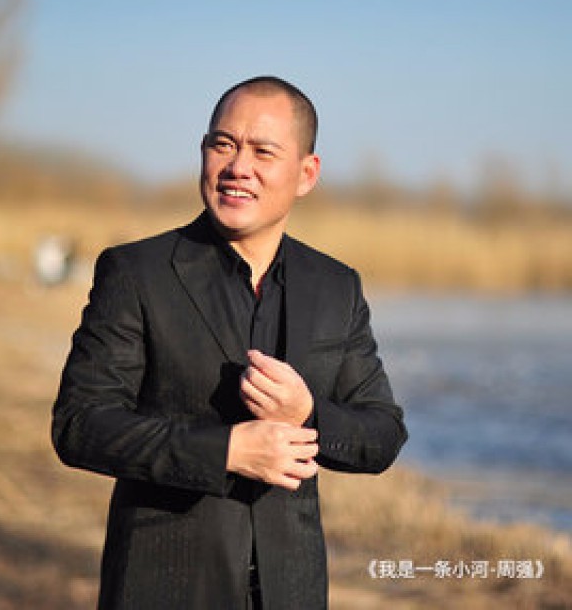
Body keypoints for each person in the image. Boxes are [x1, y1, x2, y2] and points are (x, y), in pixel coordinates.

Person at [52, 76, 407, 609]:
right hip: (163, 588)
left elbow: (383, 434)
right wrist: (227, 451)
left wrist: (308, 414)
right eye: (223, 144)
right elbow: (81, 425)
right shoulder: (137, 273)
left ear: (307, 173)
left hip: (292, 592)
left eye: (263, 151)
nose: (238, 166)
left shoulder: (337, 287)